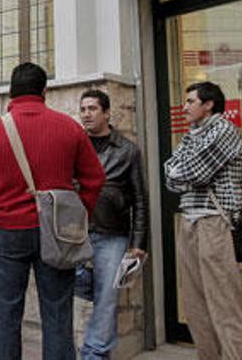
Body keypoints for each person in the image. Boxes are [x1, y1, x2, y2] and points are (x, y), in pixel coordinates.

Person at [0, 62, 105, 360]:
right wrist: (76, 215)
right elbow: (95, 178)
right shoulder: (69, 127)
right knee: (58, 315)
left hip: (9, 231)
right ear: (44, 91)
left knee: (5, 315)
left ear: (11, 92)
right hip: (57, 232)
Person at [164, 82, 242, 360]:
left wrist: (179, 170)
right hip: (189, 220)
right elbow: (169, 175)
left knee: (223, 303)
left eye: (190, 101)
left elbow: (194, 172)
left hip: (216, 221)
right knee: (195, 304)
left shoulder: (223, 130)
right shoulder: (192, 135)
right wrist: (179, 170)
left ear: (209, 104)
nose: (185, 107)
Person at [77, 89, 148, 360]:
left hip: (112, 234)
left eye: (92, 108)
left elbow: (141, 199)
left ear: (107, 113)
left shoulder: (128, 151)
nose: (86, 114)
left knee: (107, 299)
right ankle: (100, 299)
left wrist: (138, 243)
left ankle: (94, 353)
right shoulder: (75, 144)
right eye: (83, 109)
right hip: (76, 233)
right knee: (76, 283)